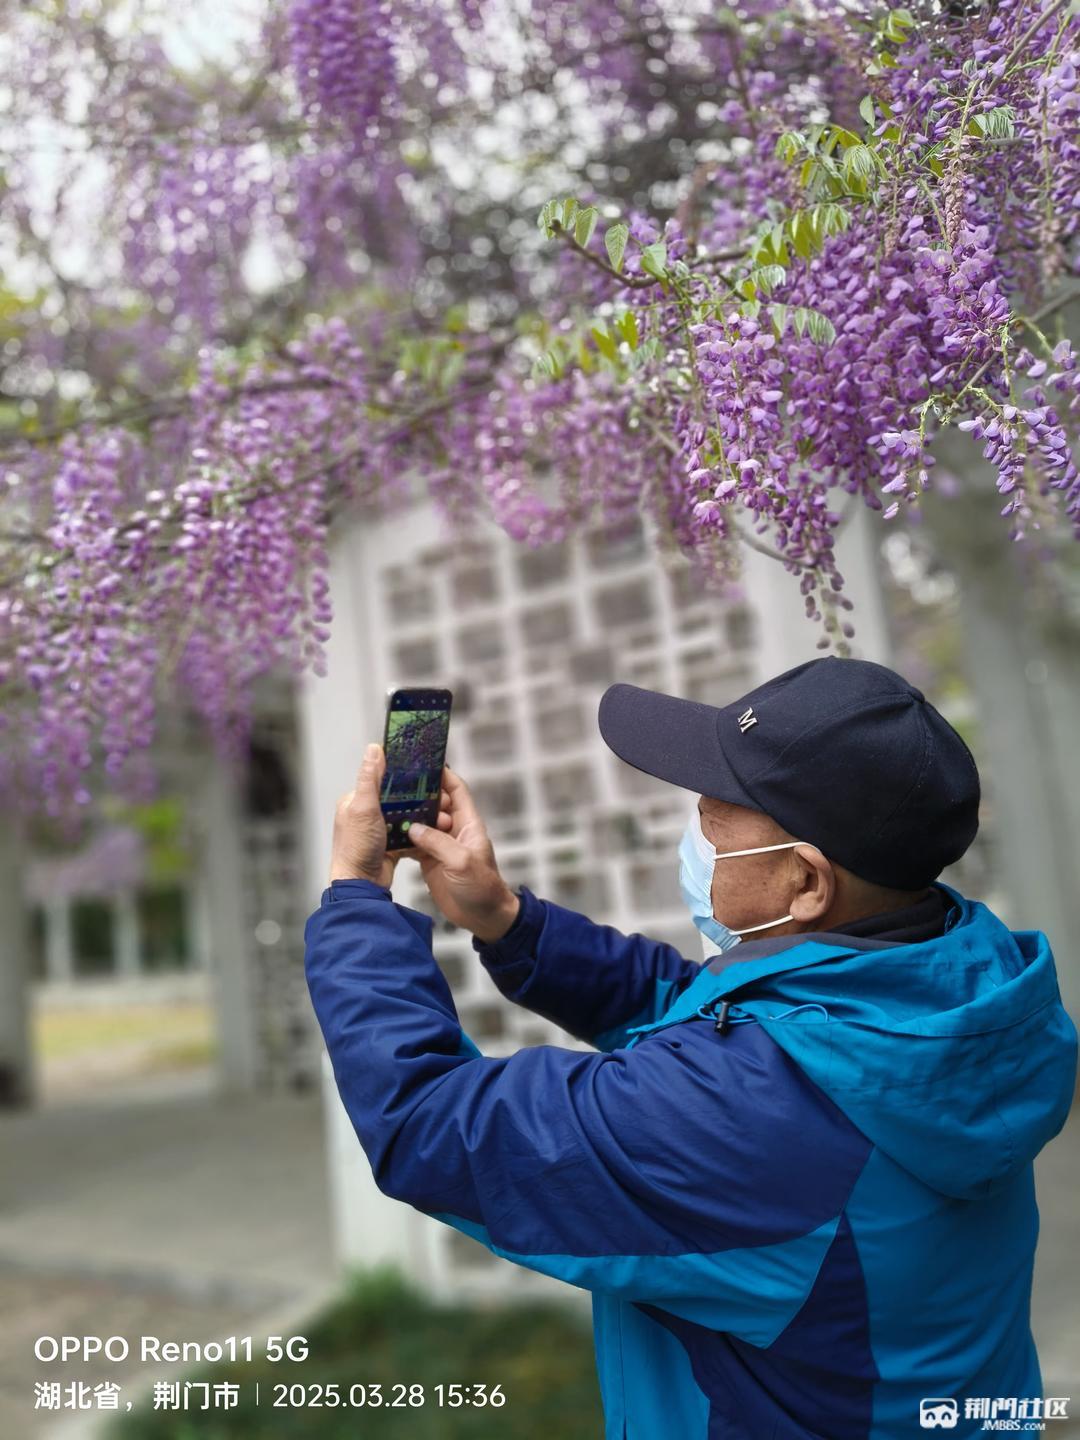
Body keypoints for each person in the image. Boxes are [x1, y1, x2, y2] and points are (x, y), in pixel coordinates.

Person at [304, 656, 1078, 1440]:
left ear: (807, 883)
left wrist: (357, 894)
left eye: (716, 813)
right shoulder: (950, 997)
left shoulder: (750, 1112)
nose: (695, 825)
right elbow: (703, 1012)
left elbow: (432, 1126)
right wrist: (506, 919)